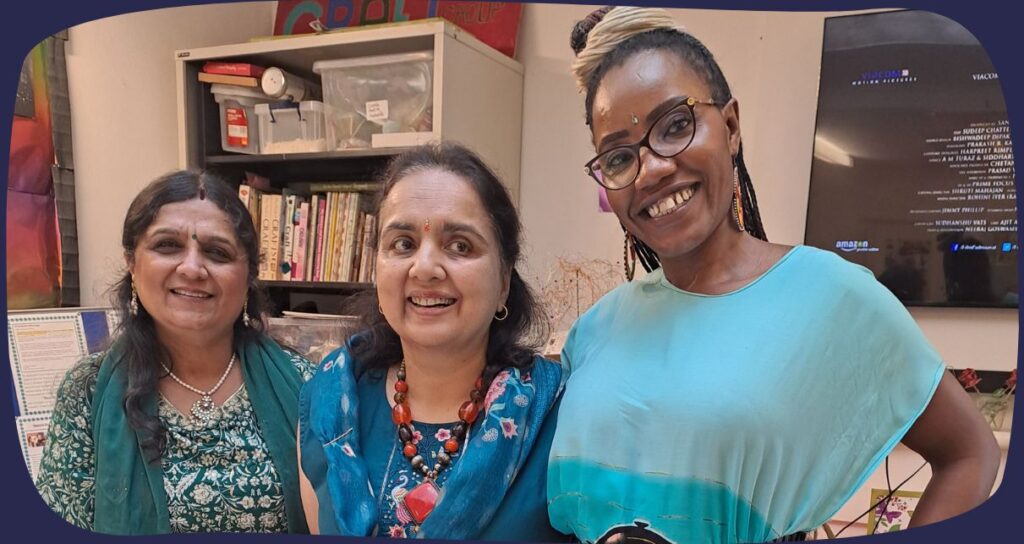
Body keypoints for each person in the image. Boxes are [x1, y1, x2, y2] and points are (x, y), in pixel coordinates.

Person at [548, 6, 1001, 544]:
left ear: (730, 127)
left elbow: (970, 451)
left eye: (676, 126)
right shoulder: (595, 331)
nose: (653, 169)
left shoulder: (832, 297)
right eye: (619, 157)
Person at [298, 143, 566, 541]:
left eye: (460, 245)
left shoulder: (557, 415)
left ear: (504, 282)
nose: (424, 268)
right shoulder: (330, 402)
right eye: (403, 244)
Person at [35, 171, 313, 534]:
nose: (192, 268)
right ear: (132, 263)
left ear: (249, 276)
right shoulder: (87, 392)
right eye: (167, 246)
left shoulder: (306, 387)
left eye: (217, 252)